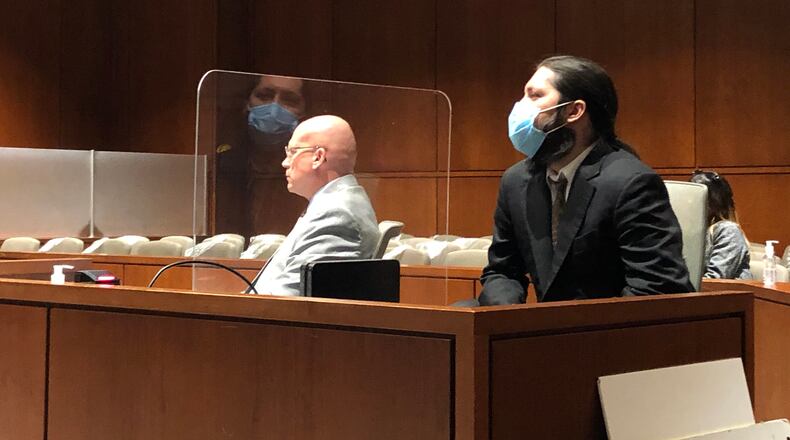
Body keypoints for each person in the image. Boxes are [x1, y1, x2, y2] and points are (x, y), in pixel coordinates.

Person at [478, 55, 693, 305]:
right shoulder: (516, 180)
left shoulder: (631, 183)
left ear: (574, 111)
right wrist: (508, 321)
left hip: (608, 334)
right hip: (539, 332)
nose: (519, 106)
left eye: (535, 96)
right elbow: (502, 271)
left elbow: (656, 289)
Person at [250, 115, 379, 295]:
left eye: (293, 152)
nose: (285, 162)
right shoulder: (335, 203)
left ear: (318, 157)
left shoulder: (337, 215)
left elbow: (290, 299)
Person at [690, 170, 752, 279]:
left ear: (713, 201)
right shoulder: (693, 231)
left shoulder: (728, 230)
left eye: (694, 197)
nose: (689, 201)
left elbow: (715, 279)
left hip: (727, 295)